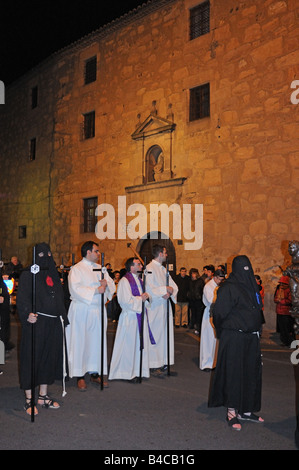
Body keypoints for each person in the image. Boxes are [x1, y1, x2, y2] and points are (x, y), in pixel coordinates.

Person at [208, 255, 264, 431]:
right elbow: (219, 313)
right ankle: (232, 411)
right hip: (234, 337)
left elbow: (257, 309)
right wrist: (223, 333)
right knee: (234, 374)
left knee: (250, 373)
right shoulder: (228, 288)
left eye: (248, 267)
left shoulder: (252, 286)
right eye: (242, 267)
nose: (246, 271)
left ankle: (247, 409)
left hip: (251, 337)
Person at [17, 243, 69, 416]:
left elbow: (60, 297)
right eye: (41, 254)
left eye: (48, 253)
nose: (45, 256)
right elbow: (22, 298)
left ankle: (43, 396)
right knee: (31, 359)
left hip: (53, 324)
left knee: (48, 359)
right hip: (36, 323)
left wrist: (63, 315)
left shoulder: (53, 273)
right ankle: (29, 399)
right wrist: (26, 314)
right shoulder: (27, 275)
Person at [65, 241, 115, 391]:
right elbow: (74, 289)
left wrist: (106, 284)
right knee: (81, 342)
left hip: (97, 311)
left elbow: (112, 287)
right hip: (82, 310)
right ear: (88, 252)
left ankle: (95, 372)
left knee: (96, 342)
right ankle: (80, 375)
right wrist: (95, 290)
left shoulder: (101, 269)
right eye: (96, 251)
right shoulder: (76, 269)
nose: (99, 254)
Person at [109, 258, 153, 382]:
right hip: (130, 317)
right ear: (132, 267)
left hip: (140, 315)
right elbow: (124, 301)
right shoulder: (124, 281)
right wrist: (141, 299)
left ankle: (139, 369)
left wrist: (147, 297)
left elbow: (146, 297)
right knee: (129, 345)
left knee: (138, 344)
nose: (141, 265)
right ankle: (127, 372)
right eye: (138, 264)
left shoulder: (140, 280)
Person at [146, 245, 178, 376]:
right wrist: (164, 290)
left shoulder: (163, 269)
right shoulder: (149, 268)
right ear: (160, 254)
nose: (166, 255)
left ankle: (163, 361)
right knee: (156, 334)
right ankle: (153, 364)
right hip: (155, 308)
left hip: (164, 306)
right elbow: (148, 288)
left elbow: (173, 286)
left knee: (165, 334)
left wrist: (170, 293)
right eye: (165, 253)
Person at [199, 269, 225, 371]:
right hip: (210, 313)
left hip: (218, 313)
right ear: (215, 277)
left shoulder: (220, 285)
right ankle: (206, 363)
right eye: (219, 279)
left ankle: (214, 362)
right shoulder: (208, 286)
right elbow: (211, 300)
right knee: (208, 339)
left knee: (216, 339)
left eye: (222, 279)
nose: (220, 281)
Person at [274, 276, 294, 347]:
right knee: (282, 328)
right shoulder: (279, 289)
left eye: (283, 283)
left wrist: (281, 301)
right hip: (279, 311)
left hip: (286, 312)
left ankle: (289, 342)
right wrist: (277, 300)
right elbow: (276, 297)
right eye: (281, 283)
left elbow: (290, 300)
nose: (281, 285)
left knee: (287, 328)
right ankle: (284, 341)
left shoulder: (289, 290)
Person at [187, 268, 205, 335]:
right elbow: (189, 289)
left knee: (198, 314)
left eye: (194, 273)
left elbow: (202, 290)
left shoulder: (200, 281)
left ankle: (198, 327)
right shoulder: (190, 281)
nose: (193, 275)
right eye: (192, 273)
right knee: (193, 313)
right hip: (192, 299)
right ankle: (192, 326)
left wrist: (201, 297)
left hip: (198, 300)